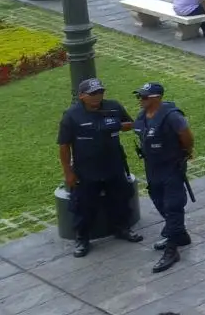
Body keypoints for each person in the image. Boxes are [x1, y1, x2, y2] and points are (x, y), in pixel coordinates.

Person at [58, 78, 139, 258]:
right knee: (84, 205)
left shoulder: (113, 106)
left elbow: (130, 124)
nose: (98, 96)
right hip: (86, 170)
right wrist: (68, 172)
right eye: (93, 93)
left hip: (114, 164)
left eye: (100, 92)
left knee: (120, 199)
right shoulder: (71, 115)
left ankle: (122, 228)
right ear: (81, 96)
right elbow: (64, 146)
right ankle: (82, 238)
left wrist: (117, 125)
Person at [132, 83, 193, 274]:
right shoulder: (142, 116)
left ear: (156, 98)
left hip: (170, 166)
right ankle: (179, 234)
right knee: (157, 198)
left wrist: (185, 152)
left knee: (173, 205)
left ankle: (172, 250)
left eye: (144, 97)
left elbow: (186, 136)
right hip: (152, 166)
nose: (140, 100)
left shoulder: (172, 116)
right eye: (139, 97)